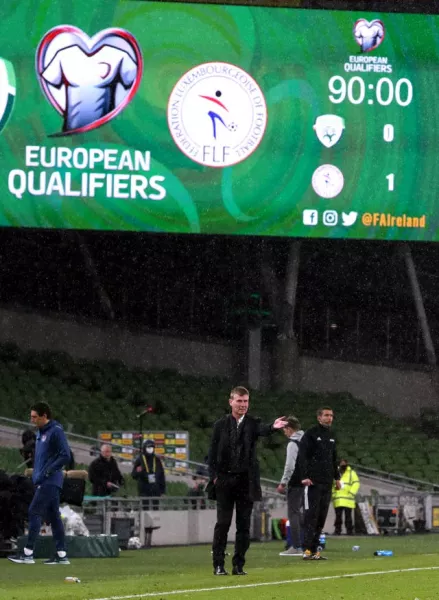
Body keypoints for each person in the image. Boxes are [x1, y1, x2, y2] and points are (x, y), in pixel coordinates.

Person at [207, 385, 288, 576]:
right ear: (231, 402)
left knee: (243, 526)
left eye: (246, 401)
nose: (243, 405)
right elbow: (211, 453)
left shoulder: (252, 422)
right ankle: (218, 564)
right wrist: (215, 477)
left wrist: (272, 427)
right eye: (239, 401)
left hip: (246, 481)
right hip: (225, 481)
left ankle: (238, 565)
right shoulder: (220, 425)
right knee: (223, 524)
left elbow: (262, 430)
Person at [8, 401, 72, 565]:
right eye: (31, 417)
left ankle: (28, 553)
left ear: (45, 416)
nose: (32, 420)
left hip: (50, 480)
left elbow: (65, 455)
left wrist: (48, 471)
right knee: (54, 516)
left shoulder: (56, 431)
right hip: (44, 480)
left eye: (35, 417)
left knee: (34, 511)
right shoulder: (40, 433)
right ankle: (61, 554)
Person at [298, 407, 341, 561]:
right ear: (319, 417)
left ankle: (316, 550)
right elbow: (302, 456)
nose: (330, 418)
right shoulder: (310, 434)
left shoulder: (331, 435)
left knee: (321, 517)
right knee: (311, 516)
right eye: (327, 415)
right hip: (313, 482)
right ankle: (307, 550)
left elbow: (334, 458)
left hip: (327, 482)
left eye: (331, 415)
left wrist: (337, 478)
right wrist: (304, 476)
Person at [277, 415, 305, 556]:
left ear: (289, 428)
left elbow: (289, 466)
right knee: (303, 514)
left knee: (293, 514)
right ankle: (308, 544)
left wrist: (283, 483)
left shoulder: (293, 444)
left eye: (284, 429)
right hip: (308, 482)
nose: (284, 432)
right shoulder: (308, 441)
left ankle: (296, 546)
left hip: (296, 483)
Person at [332, 459, 360, 535]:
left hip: (348, 499)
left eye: (344, 463)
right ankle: (338, 530)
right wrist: (333, 494)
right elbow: (332, 484)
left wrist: (351, 493)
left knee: (348, 517)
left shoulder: (352, 473)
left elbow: (356, 483)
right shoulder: (336, 472)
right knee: (338, 517)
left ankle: (349, 531)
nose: (343, 464)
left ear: (347, 464)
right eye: (341, 463)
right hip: (338, 499)